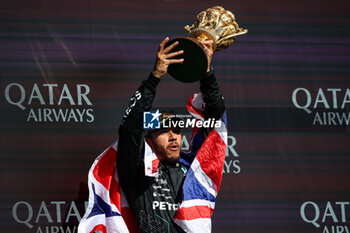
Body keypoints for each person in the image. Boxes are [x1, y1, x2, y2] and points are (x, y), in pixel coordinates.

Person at [116, 37, 225, 233]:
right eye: (164, 131)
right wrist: (154, 77)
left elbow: (215, 117)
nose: (173, 136)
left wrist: (205, 71)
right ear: (148, 141)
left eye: (176, 130)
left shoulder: (194, 170)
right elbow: (130, 129)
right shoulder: (138, 173)